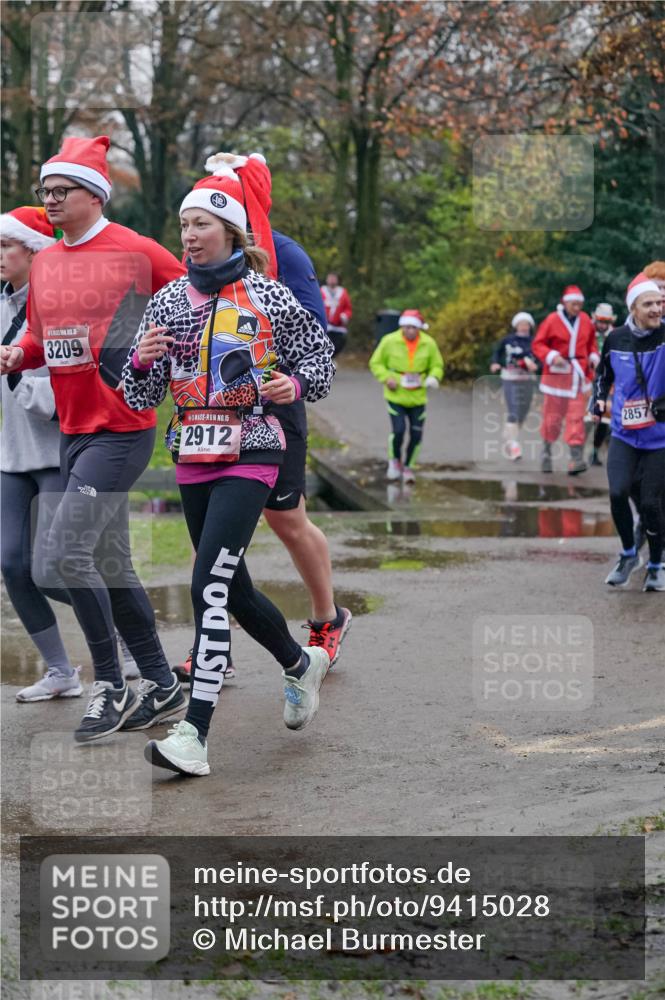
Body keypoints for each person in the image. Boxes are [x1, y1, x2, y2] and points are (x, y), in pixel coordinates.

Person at [121, 154, 335, 776]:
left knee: (206, 584)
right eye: (183, 225)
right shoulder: (166, 303)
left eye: (201, 225)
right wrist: (142, 362)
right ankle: (300, 663)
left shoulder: (271, 298)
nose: (189, 236)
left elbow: (319, 369)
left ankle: (194, 734)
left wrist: (291, 385)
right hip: (193, 454)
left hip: (255, 450)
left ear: (232, 233)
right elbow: (138, 397)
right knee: (232, 587)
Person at [0, 135, 187, 742]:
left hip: (122, 428)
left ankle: (110, 684)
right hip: (72, 431)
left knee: (59, 558)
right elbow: (39, 334)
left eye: (62, 191)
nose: (50, 200)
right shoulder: (49, 260)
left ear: (94, 196)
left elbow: (193, 298)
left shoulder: (134, 250)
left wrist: (148, 343)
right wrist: (15, 354)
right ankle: (160, 683)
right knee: (108, 564)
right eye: (45, 192)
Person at [172, 153, 351, 686]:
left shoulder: (285, 255)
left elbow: (314, 336)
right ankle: (214, 647)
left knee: (287, 520)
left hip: (271, 411)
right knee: (212, 543)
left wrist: (285, 381)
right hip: (208, 417)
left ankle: (327, 620)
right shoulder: (195, 262)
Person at [0, 206, 84, 701]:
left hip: (56, 452)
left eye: (6, 246)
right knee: (11, 563)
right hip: (11, 457)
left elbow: (71, 391)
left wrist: (18, 377)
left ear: (35, 252)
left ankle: (125, 635)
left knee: (54, 567)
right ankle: (60, 672)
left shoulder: (61, 305)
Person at [593, 273, 665, 591]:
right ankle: (627, 555)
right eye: (648, 304)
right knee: (617, 493)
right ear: (633, 308)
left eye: (660, 303)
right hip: (624, 432)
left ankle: (656, 565)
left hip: (659, 438)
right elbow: (602, 375)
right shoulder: (616, 338)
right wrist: (597, 399)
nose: (656, 309)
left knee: (651, 504)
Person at [369, 309, 443, 484]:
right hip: (396, 395)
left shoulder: (429, 343)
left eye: (413, 328)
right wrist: (387, 378)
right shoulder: (389, 341)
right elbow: (375, 362)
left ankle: (409, 466)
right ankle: (394, 462)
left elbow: (437, 365)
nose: (410, 331)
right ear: (402, 326)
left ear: (419, 329)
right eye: (407, 327)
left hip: (418, 396)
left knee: (416, 434)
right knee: (399, 431)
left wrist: (434, 377)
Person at [532, 285, 599, 475]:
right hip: (556, 376)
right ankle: (546, 452)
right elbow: (538, 344)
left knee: (576, 417)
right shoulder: (552, 320)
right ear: (565, 302)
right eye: (574, 304)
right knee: (552, 418)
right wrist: (552, 356)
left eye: (580, 304)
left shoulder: (586, 320)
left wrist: (593, 357)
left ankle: (575, 459)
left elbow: (591, 345)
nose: (577, 308)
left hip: (579, 375)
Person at [489, 311, 538, 461]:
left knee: (522, 412)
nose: (524, 327)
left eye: (526, 324)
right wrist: (495, 363)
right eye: (521, 324)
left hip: (527, 379)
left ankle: (509, 437)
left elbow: (541, 360)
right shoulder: (508, 340)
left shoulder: (535, 342)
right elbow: (497, 353)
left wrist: (535, 365)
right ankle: (513, 444)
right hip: (510, 378)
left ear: (530, 326)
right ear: (516, 326)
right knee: (514, 410)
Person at [587, 303, 617, 466]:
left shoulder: (615, 334)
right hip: (586, 380)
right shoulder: (587, 332)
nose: (603, 324)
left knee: (603, 418)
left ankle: (595, 452)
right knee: (585, 418)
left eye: (606, 321)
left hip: (607, 382)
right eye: (600, 320)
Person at [320, 272, 352, 356]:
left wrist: (345, 315)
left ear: (337, 280)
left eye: (334, 278)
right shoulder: (321, 291)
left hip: (339, 326)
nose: (332, 280)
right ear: (327, 279)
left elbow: (348, 308)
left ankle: (331, 357)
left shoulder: (343, 292)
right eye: (330, 278)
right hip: (325, 326)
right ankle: (327, 358)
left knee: (339, 343)